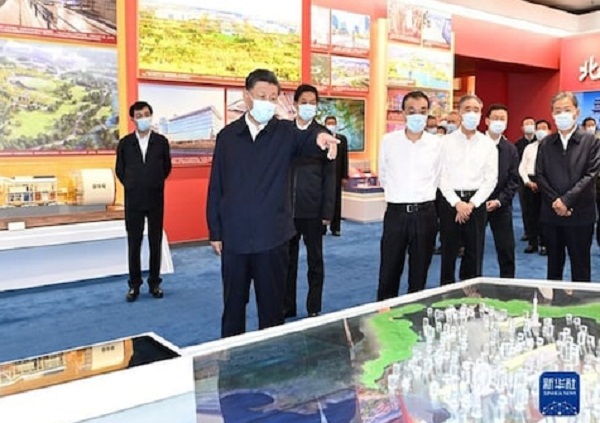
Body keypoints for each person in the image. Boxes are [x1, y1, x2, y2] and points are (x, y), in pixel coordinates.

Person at [206, 69, 338, 338]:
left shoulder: (286, 133)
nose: (268, 102)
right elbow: (216, 186)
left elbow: (308, 138)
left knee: (272, 309)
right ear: (247, 96)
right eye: (262, 96)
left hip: (273, 237)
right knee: (233, 306)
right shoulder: (228, 137)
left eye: (273, 97)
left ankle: (273, 359)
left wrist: (321, 137)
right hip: (236, 237)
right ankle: (232, 356)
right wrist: (215, 231)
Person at [376, 91, 442, 300]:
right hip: (396, 214)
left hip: (425, 214)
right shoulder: (389, 141)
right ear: (403, 113)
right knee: (389, 271)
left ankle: (414, 313)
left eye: (422, 111)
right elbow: (383, 175)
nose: (417, 116)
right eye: (412, 111)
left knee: (419, 273)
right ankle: (385, 312)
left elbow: (438, 176)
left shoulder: (436, 144)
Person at [536, 92, 600, 282]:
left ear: (576, 112)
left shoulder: (591, 141)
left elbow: (591, 175)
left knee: (580, 267)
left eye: (567, 109)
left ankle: (581, 301)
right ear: (552, 114)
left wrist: (566, 201)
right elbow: (540, 175)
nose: (562, 114)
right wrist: (556, 201)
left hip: (580, 215)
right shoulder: (546, 143)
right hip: (552, 214)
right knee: (553, 267)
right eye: (558, 111)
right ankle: (553, 301)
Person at [285, 85, 336, 319]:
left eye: (312, 102)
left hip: (314, 208)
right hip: (288, 209)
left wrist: (328, 211)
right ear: (295, 104)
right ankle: (287, 305)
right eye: (304, 101)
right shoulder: (286, 132)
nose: (308, 106)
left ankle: (313, 306)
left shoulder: (324, 135)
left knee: (315, 261)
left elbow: (330, 177)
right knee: (288, 261)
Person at [115, 101, 172, 302]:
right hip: (134, 200)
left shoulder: (161, 142)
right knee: (134, 243)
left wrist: (153, 182)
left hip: (155, 198)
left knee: (155, 241)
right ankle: (134, 285)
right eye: (139, 116)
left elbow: (166, 167)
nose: (143, 118)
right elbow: (120, 170)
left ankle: (155, 283)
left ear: (151, 116)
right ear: (133, 119)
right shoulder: (125, 144)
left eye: (146, 114)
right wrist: (133, 184)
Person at [438, 94, 498, 285]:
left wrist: (471, 204)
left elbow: (491, 179)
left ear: (481, 114)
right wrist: (457, 203)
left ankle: (471, 290)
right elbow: (441, 175)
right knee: (448, 250)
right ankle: (446, 290)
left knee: (474, 251)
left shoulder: (488, 144)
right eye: (467, 109)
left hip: (476, 203)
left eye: (476, 110)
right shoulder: (445, 142)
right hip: (450, 202)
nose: (471, 113)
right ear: (459, 112)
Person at [484, 104, 519, 278]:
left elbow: (513, 179)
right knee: (472, 248)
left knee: (506, 248)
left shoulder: (510, 149)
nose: (499, 122)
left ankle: (508, 283)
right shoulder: (477, 144)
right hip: (476, 204)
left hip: (501, 204)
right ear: (487, 121)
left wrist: (499, 200)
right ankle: (470, 284)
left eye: (502, 119)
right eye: (495, 118)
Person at [519, 119, 551, 255]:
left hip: (548, 183)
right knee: (531, 214)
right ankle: (533, 242)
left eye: (544, 128)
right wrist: (527, 181)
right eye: (538, 128)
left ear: (549, 131)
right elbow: (522, 167)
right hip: (530, 182)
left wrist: (544, 183)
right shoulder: (529, 148)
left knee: (545, 215)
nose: (541, 131)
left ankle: (545, 244)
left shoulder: (553, 148)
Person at [323, 115, 349, 236]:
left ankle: (336, 227)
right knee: (323, 201)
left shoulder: (342, 139)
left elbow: (345, 158)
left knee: (337, 202)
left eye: (333, 123)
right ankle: (322, 227)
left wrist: (345, 176)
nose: (331, 125)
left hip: (337, 175)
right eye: (329, 123)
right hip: (323, 176)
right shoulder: (321, 138)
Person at [515, 117, 537, 242]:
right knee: (526, 207)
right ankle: (528, 231)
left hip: (538, 178)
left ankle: (539, 234)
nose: (529, 126)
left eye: (531, 123)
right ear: (522, 128)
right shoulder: (518, 144)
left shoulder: (541, 142)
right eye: (526, 124)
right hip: (523, 179)